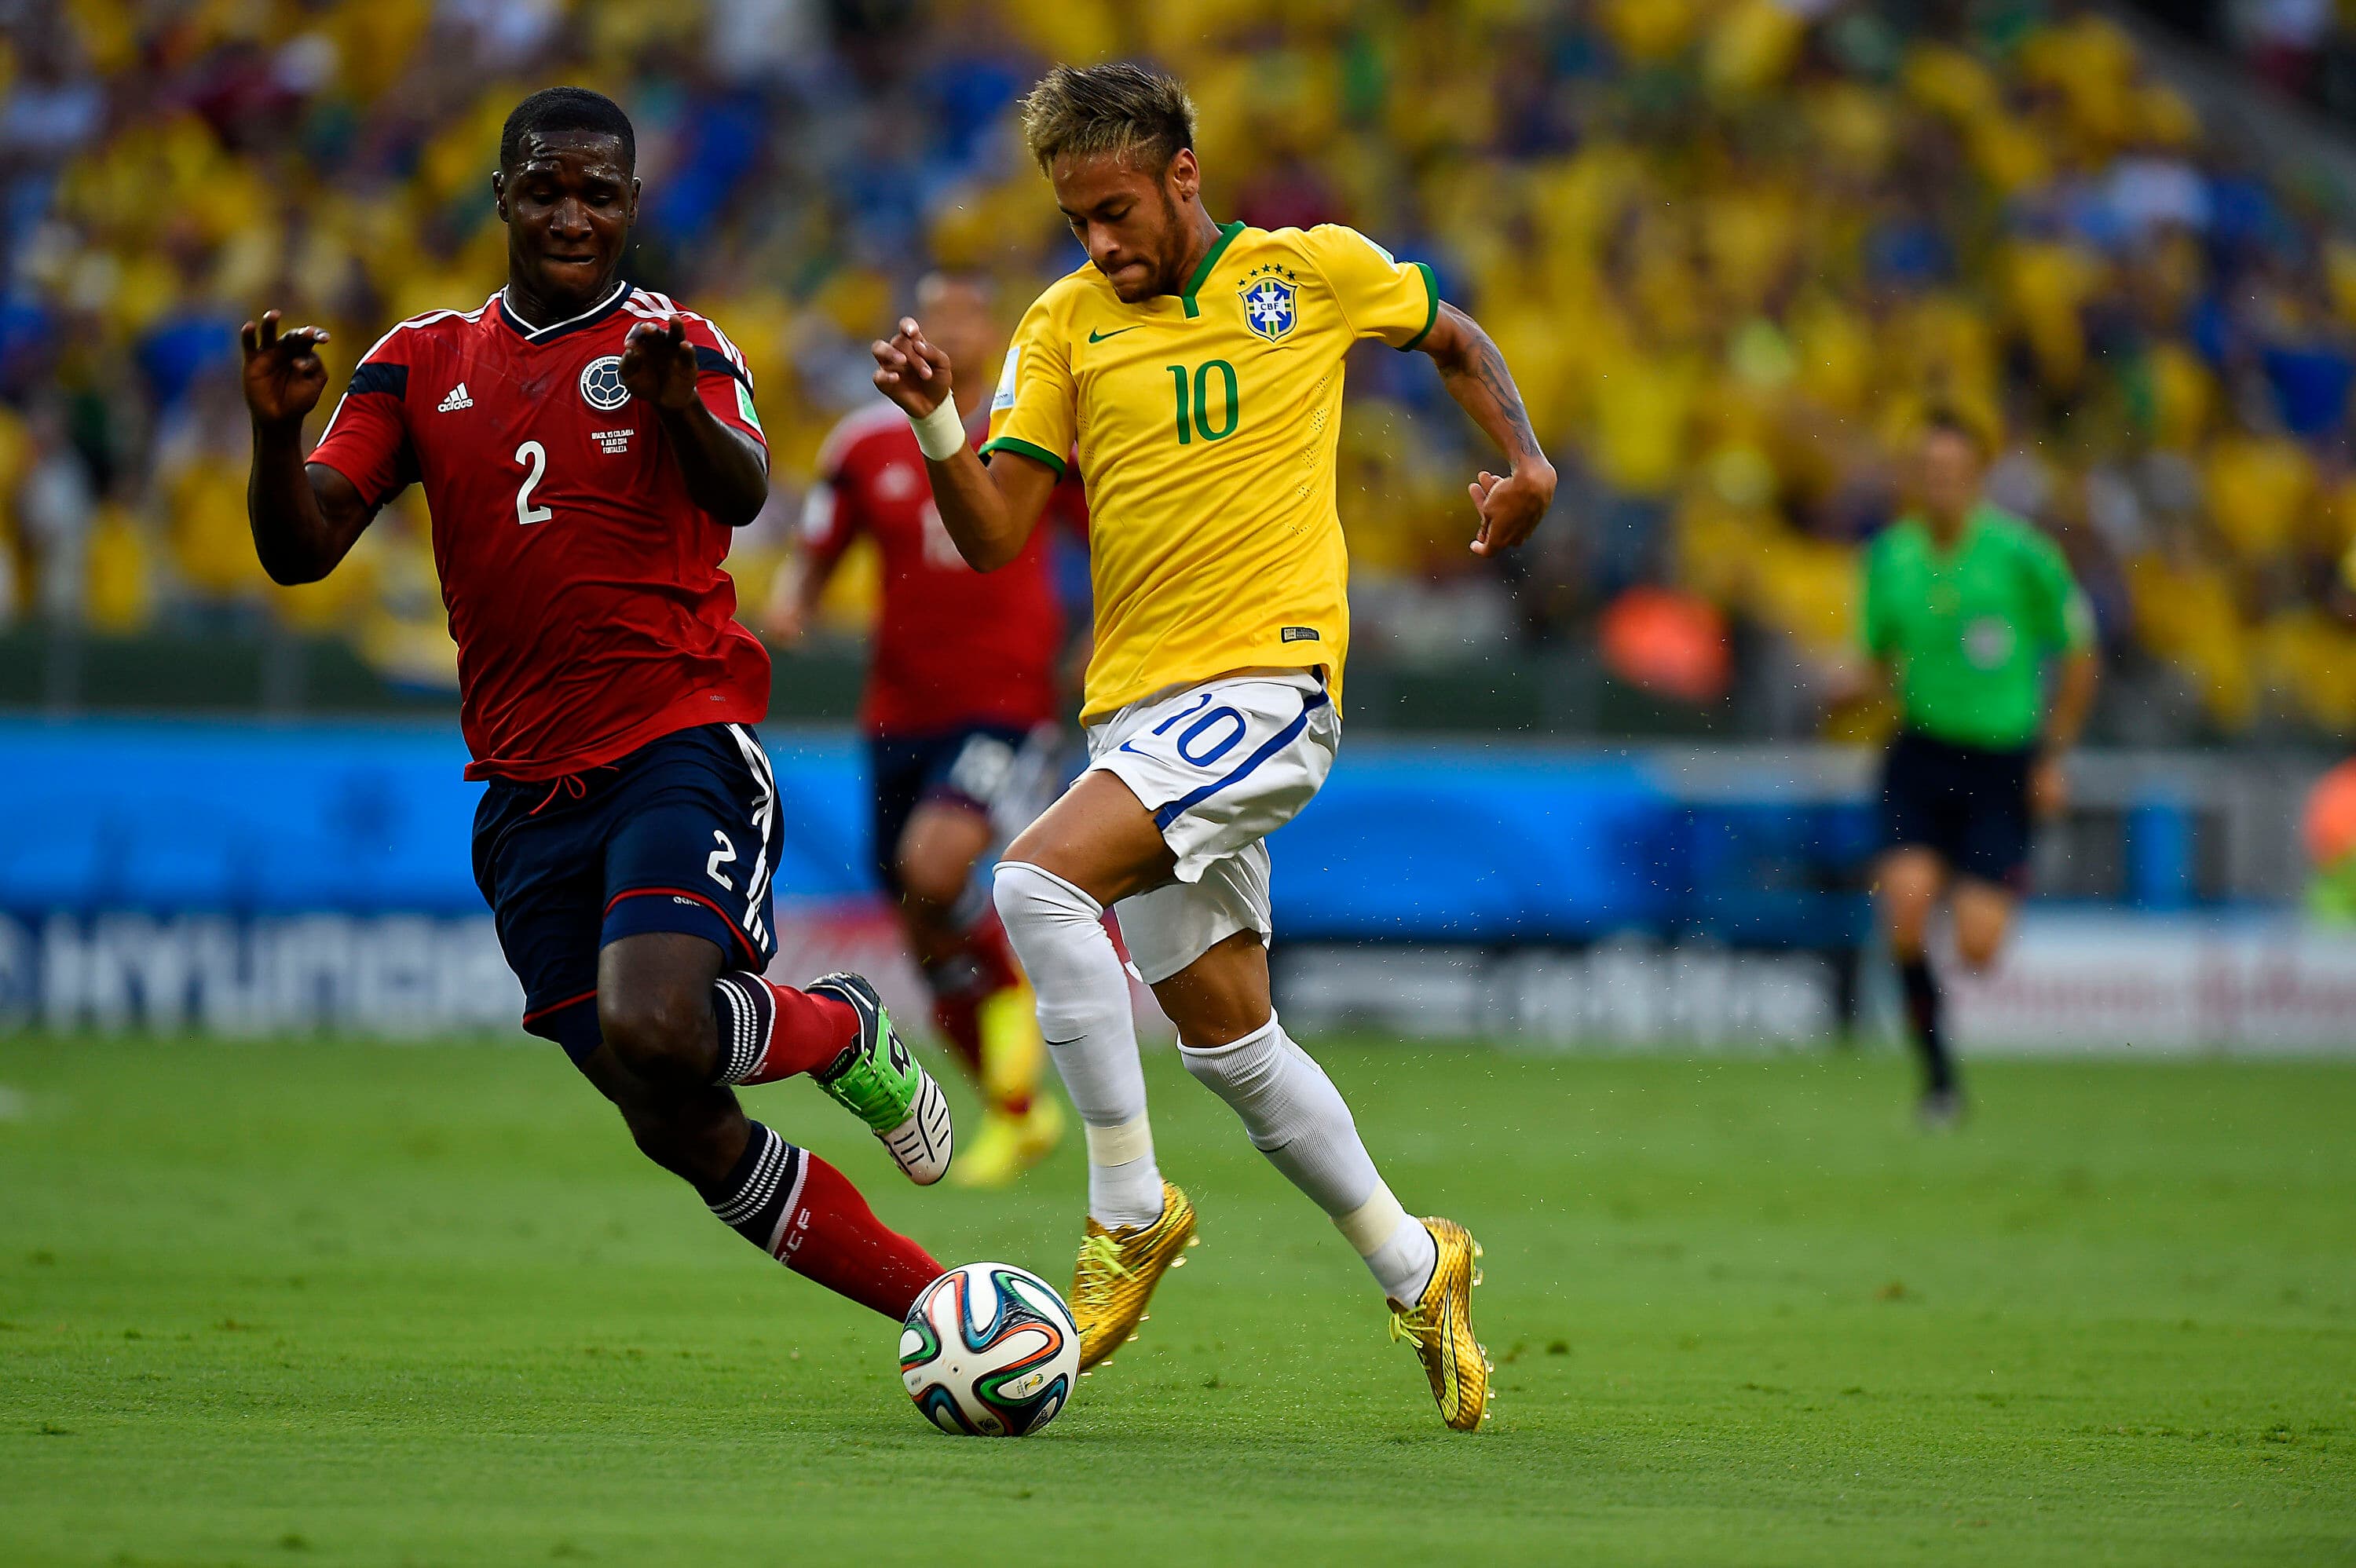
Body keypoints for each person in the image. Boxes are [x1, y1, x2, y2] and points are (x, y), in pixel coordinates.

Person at [870, 63, 1555, 1431]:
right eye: (1076, 220)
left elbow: (1451, 333)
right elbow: (993, 535)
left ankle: (1128, 1208)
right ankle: (1418, 1265)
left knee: (1033, 880)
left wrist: (1527, 463)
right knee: (1232, 1043)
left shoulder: (1313, 273)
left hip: (1270, 684)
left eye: (1116, 210)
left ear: (1182, 174)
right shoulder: (1062, 324)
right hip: (1140, 710)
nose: (1099, 242)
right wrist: (939, 418)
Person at [240, 86, 954, 1325]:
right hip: (524, 795)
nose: (572, 215)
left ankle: (838, 1028)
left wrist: (673, 403)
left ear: (631, 205)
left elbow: (742, 490)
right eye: (546, 190)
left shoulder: (681, 343)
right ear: (502, 197)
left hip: (677, 743)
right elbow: (301, 550)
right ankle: (945, 1312)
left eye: (599, 194)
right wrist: (274, 435)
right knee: (667, 1113)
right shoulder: (417, 362)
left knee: (657, 1022)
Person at [769, 271, 1081, 1188]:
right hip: (899, 709)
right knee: (918, 921)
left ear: (994, 335)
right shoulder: (864, 444)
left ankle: (1015, 1001)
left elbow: (1111, 531)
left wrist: (1101, 638)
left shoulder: (1030, 431)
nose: (950, 327)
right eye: (934, 312)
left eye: (966, 314)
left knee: (935, 868)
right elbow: (819, 544)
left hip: (1005, 702)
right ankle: (1014, 1110)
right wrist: (794, 600)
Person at [1861, 411, 2098, 1125]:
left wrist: (2052, 754)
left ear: (1978, 477)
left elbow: (2080, 654)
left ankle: (1994, 879)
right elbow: (1877, 661)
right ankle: (1939, 1081)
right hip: (1920, 752)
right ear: (1914, 478)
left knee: (1977, 946)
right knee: (1906, 907)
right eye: (1929, 471)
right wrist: (1847, 688)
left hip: (2001, 763)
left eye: (1954, 471)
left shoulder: (2023, 556)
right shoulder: (1890, 558)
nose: (1941, 483)